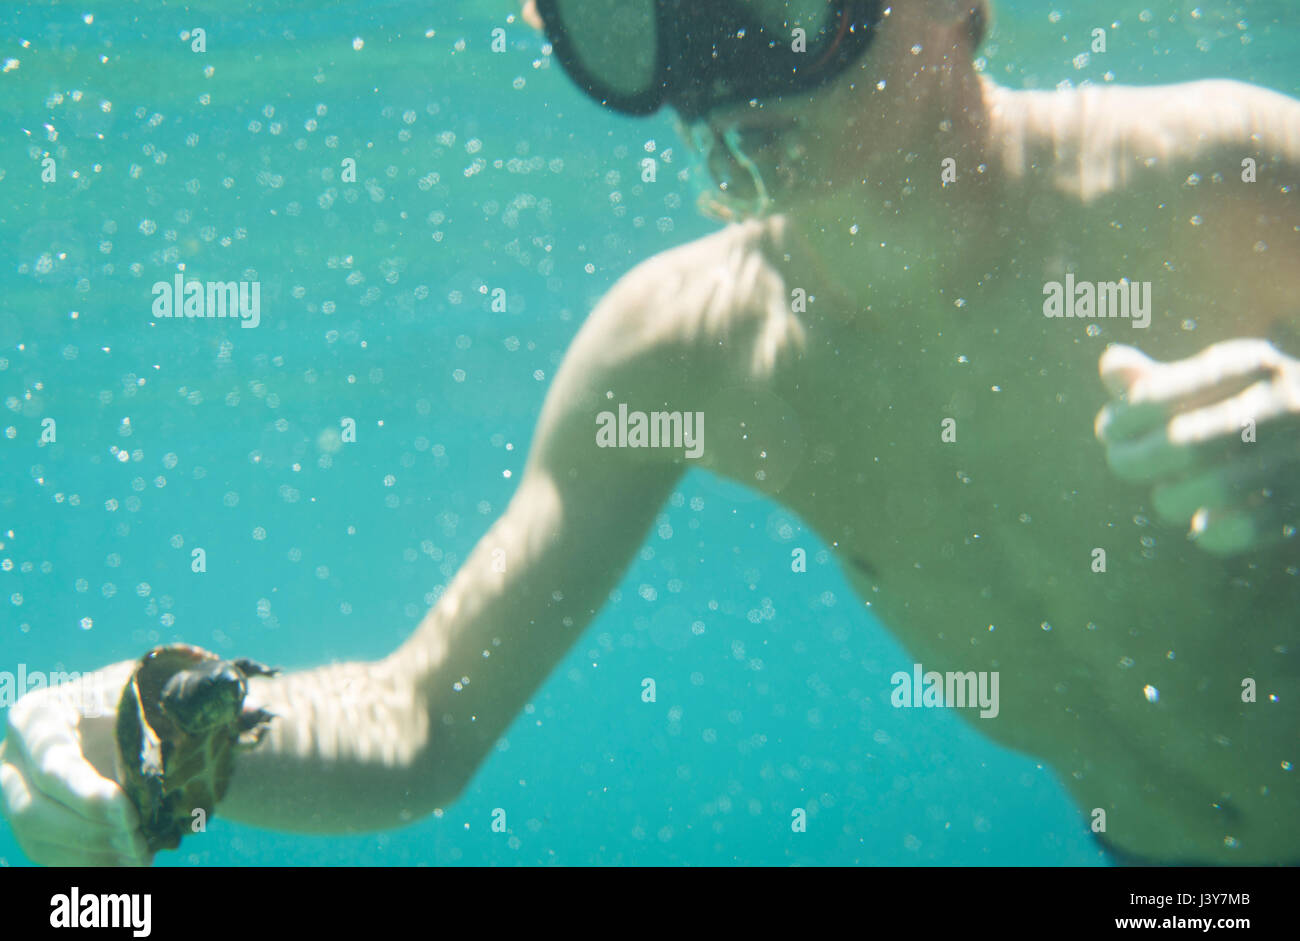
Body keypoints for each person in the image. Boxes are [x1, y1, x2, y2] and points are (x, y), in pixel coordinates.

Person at [4, 0, 1299, 866]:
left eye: (778, 1)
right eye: (642, 16)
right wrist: (167, 720)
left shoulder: (1225, 171)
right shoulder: (679, 351)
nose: (713, 69)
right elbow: (415, 724)